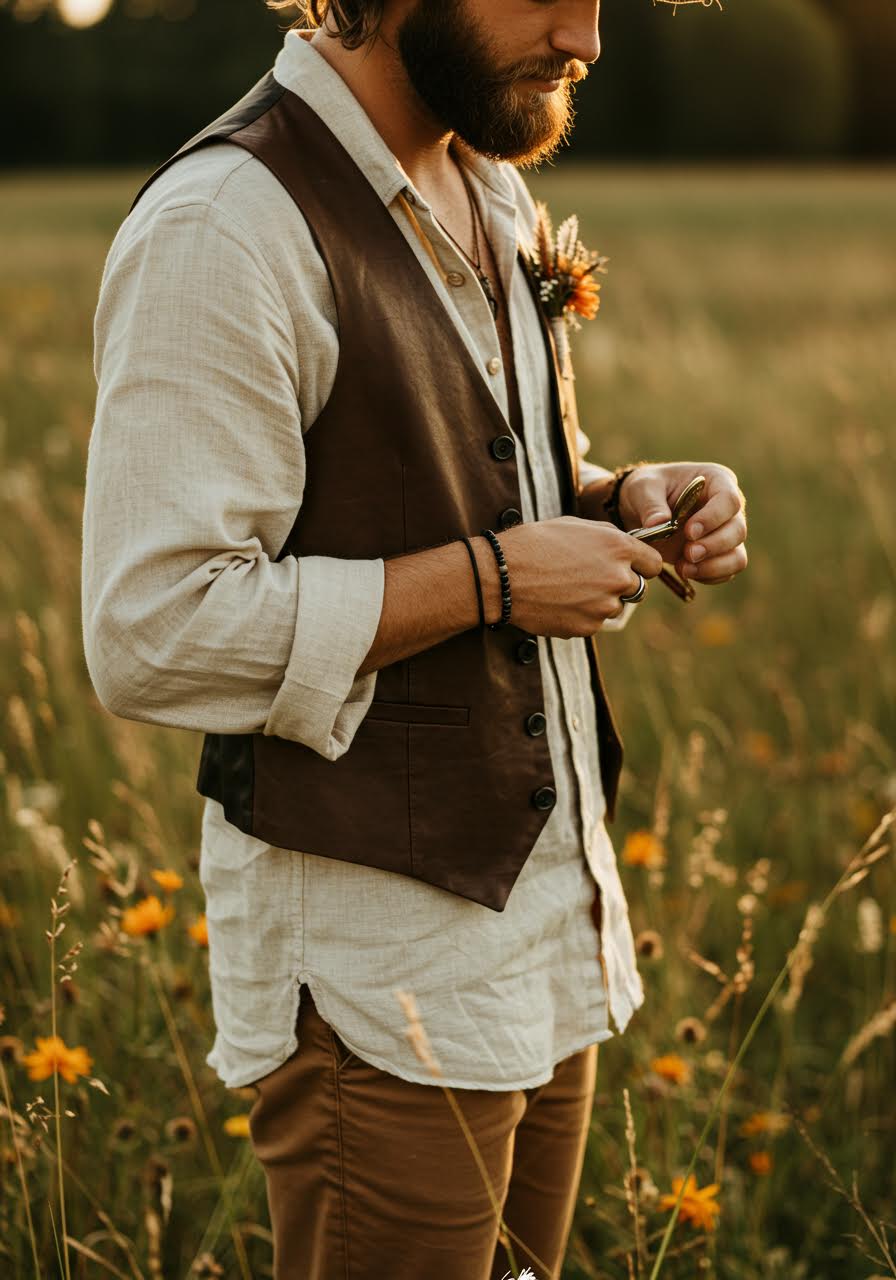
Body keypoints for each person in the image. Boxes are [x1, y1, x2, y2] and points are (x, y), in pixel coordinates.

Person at [81, 1, 748, 1276]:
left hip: (546, 920)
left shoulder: (482, 181)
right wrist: (494, 579)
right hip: (375, 971)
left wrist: (617, 494)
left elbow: (464, 469)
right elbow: (150, 628)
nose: (585, 37)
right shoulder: (225, 225)